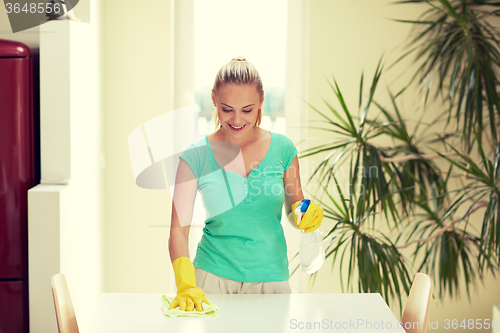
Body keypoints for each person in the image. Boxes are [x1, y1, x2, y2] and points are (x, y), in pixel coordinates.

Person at [168, 57, 324, 312]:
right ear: (214, 100)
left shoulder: (283, 149)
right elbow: (178, 230)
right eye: (227, 109)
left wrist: (306, 213)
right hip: (212, 280)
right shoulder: (195, 156)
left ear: (262, 101)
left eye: (248, 110)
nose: (237, 119)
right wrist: (185, 284)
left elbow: (295, 211)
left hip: (271, 280)